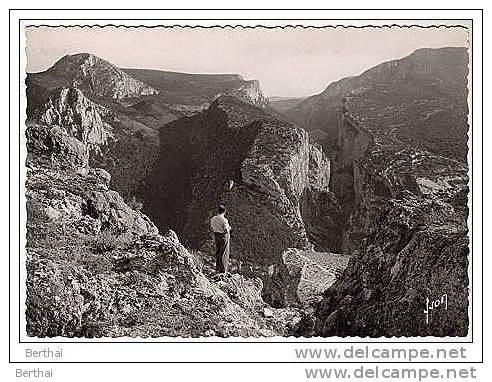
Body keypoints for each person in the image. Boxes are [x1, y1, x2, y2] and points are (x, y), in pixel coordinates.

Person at [210, 204, 232, 274]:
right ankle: (223, 270)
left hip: (216, 235)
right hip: (223, 236)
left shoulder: (213, 218)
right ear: (224, 211)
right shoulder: (224, 220)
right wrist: (229, 228)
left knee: (218, 251)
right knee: (224, 252)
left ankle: (217, 268)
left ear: (218, 211)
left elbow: (212, 227)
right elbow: (226, 229)